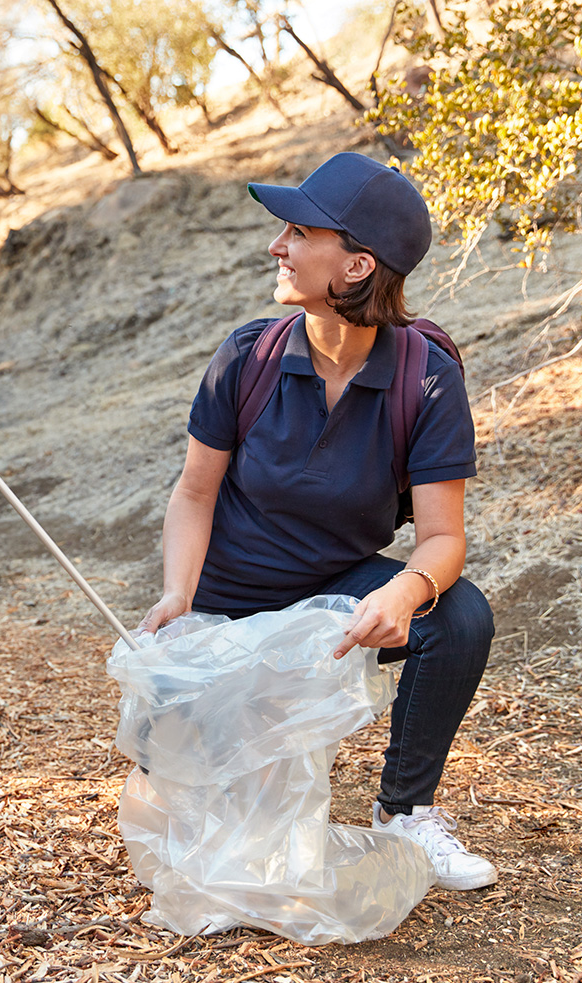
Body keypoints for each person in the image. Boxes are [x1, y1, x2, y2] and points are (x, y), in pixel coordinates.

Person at [139, 152, 498, 893]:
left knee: (457, 617)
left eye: (299, 232)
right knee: (193, 798)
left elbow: (443, 538)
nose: (278, 246)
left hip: (335, 595)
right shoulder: (247, 357)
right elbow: (194, 494)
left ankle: (405, 812)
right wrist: (179, 597)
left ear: (359, 265)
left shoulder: (426, 377)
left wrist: (402, 595)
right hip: (229, 600)